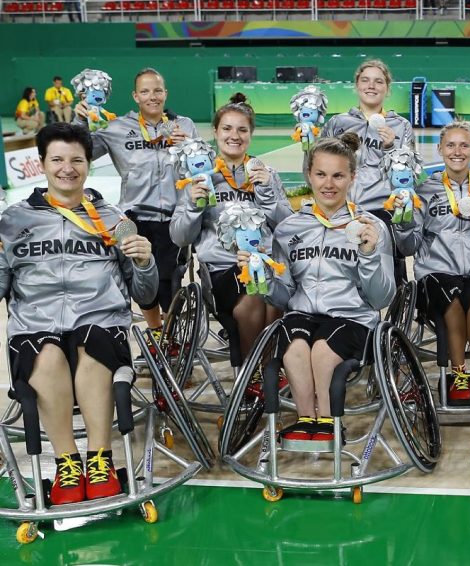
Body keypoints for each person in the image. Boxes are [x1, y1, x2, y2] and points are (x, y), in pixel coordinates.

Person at [0, 123, 157, 504]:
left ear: (88, 164)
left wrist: (146, 261)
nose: (66, 168)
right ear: (42, 164)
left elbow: (144, 294)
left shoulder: (114, 219)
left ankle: (100, 460)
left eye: (77, 160)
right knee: (47, 352)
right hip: (36, 327)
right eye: (57, 159)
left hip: (100, 322)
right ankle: (67, 463)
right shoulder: (13, 221)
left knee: (93, 342)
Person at [258, 133, 394, 442]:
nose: (328, 184)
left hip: (353, 319)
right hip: (303, 315)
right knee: (293, 345)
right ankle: (307, 419)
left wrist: (370, 255)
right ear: (309, 175)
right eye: (321, 174)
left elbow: (382, 297)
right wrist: (263, 280)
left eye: (338, 175)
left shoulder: (370, 226)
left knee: (321, 348)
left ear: (352, 177)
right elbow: (284, 295)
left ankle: (330, 422)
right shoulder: (290, 227)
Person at [74, 68, 199, 340]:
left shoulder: (185, 125)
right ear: (135, 95)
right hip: (134, 217)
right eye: (145, 91)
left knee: (171, 281)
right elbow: (83, 152)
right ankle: (156, 332)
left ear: (165, 93)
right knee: (142, 278)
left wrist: (190, 146)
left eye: (157, 90)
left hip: (174, 217)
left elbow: (202, 166)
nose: (152, 96)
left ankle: (172, 334)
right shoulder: (117, 127)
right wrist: (81, 119)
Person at [170, 94, 290, 368]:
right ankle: (254, 372)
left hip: (267, 263)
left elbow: (287, 228)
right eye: (227, 128)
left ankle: (267, 368)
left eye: (242, 129)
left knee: (277, 294)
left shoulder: (266, 173)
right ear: (215, 132)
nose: (234, 136)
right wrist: (192, 203)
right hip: (222, 271)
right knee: (255, 297)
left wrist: (268, 194)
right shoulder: (198, 178)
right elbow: (179, 237)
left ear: (250, 134)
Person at [393, 121, 470, 404]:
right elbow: (409, 246)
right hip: (437, 272)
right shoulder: (424, 190)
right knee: (452, 300)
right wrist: (402, 223)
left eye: (464, 145)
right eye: (450, 145)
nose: (457, 151)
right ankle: (458, 373)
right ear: (440, 149)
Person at [321, 59, 415, 286]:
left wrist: (391, 147)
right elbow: (318, 165)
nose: (371, 86)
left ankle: (392, 311)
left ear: (387, 88)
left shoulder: (400, 126)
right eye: (365, 80)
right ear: (357, 85)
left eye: (378, 81)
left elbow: (409, 174)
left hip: (383, 209)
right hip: (342, 208)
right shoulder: (338, 123)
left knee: (388, 275)